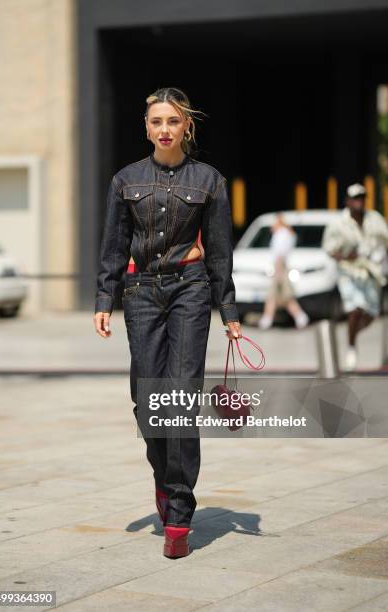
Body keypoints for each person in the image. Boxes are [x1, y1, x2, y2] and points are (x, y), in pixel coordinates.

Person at [93, 87, 241, 558]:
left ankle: (179, 510)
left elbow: (220, 252)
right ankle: (164, 478)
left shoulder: (210, 180)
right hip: (140, 295)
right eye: (156, 121)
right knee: (146, 401)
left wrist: (230, 311)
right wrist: (104, 296)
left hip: (190, 290)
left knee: (178, 397)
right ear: (147, 126)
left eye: (172, 122)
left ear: (186, 127)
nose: (164, 129)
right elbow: (114, 244)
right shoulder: (125, 180)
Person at [322, 183, 388, 371]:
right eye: (355, 198)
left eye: (362, 197)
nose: (359, 201)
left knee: (372, 313)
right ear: (348, 201)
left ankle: (352, 334)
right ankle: (351, 347)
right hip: (349, 272)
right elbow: (328, 249)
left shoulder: (374, 219)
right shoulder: (338, 224)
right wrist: (345, 256)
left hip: (371, 271)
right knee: (355, 308)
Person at [258, 214, 309, 330]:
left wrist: (278, 273)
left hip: (279, 269)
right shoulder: (286, 233)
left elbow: (279, 255)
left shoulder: (281, 234)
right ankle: (299, 317)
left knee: (279, 296)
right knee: (282, 297)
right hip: (281, 268)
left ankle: (268, 320)